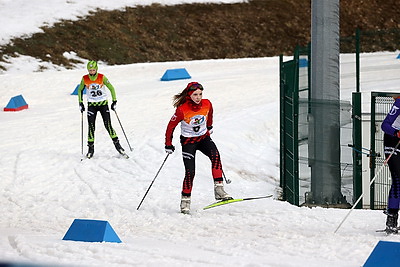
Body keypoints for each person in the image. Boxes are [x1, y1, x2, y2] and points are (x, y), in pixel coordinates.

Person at [164, 81, 233, 214]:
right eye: (195, 94)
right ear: (189, 95)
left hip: (203, 138)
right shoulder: (181, 110)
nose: (198, 97)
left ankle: (219, 189)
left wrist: (209, 126)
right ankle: (185, 201)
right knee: (190, 172)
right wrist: (168, 143)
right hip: (188, 142)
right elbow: (170, 127)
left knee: (216, 156)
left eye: (200, 94)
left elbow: (210, 114)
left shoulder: (207, 103)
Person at [78, 60, 125, 158]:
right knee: (91, 127)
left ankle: (118, 146)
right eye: (90, 70)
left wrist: (114, 101)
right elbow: (80, 90)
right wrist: (80, 102)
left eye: (93, 70)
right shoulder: (85, 78)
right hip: (91, 105)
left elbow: (111, 88)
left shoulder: (102, 77)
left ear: (96, 69)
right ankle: (90, 149)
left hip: (103, 104)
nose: (91, 72)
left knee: (108, 125)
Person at [381, 96, 400, 234]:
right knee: (398, 179)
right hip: (393, 141)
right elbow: (385, 125)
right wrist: (397, 132)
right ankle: (391, 219)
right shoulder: (399, 103)